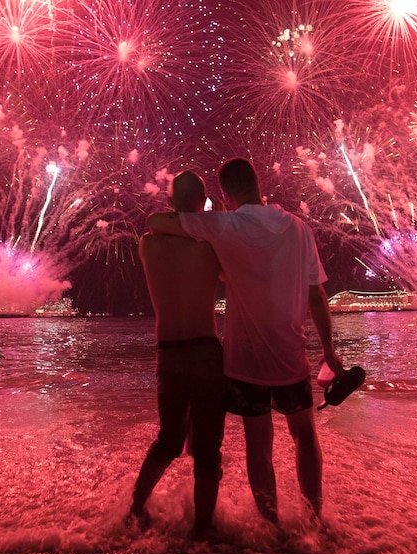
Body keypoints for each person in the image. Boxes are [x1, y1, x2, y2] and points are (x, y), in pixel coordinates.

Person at [147, 158, 345, 525]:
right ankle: (314, 521)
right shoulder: (299, 229)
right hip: (292, 355)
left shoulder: (226, 226)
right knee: (304, 435)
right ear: (257, 183)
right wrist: (329, 352)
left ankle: (272, 526)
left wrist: (217, 215)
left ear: (225, 193)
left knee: (259, 444)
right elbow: (317, 297)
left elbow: (158, 223)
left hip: (246, 362)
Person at [129, 170, 228, 539]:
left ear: (169, 203)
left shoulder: (148, 245)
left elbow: (160, 223)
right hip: (206, 352)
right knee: (207, 451)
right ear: (200, 204)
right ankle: (203, 531)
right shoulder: (210, 246)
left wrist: (182, 213)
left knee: (168, 440)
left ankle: (133, 512)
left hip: (168, 354)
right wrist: (208, 216)